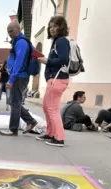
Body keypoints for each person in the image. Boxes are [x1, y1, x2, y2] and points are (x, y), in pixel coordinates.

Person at [35, 16, 71, 147]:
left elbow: (64, 59)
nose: (52, 29)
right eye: (50, 26)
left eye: (55, 26)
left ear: (61, 28)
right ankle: (50, 133)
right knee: (46, 107)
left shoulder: (61, 41)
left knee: (52, 109)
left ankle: (59, 138)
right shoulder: (57, 41)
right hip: (54, 79)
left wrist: (47, 61)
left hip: (58, 79)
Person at [0, 21, 38, 137]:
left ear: (18, 29)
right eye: (8, 32)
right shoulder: (19, 42)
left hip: (19, 76)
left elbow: (19, 62)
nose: (10, 34)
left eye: (12, 31)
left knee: (15, 103)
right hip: (20, 76)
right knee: (14, 102)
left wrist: (11, 79)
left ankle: (13, 129)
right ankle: (31, 121)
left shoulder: (21, 42)